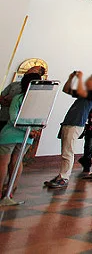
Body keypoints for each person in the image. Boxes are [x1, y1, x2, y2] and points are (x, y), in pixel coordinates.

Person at [45, 71, 92, 189]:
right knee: (65, 151)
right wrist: (70, 78)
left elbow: (82, 91)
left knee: (68, 152)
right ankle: (61, 175)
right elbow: (66, 90)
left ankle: (64, 178)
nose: (87, 80)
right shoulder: (85, 93)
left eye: (90, 79)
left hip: (76, 124)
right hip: (69, 123)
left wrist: (80, 78)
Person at [0, 73, 41, 203]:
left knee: (3, 162)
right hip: (27, 135)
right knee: (17, 162)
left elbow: (13, 118)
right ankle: (10, 191)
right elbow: (40, 120)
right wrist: (32, 131)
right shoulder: (40, 102)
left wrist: (28, 130)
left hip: (11, 134)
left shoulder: (18, 98)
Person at [0, 66, 45, 135]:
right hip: (4, 117)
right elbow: (2, 97)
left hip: (21, 124)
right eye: (30, 69)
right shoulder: (14, 84)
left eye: (33, 70)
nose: (29, 70)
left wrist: (13, 102)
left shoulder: (37, 92)